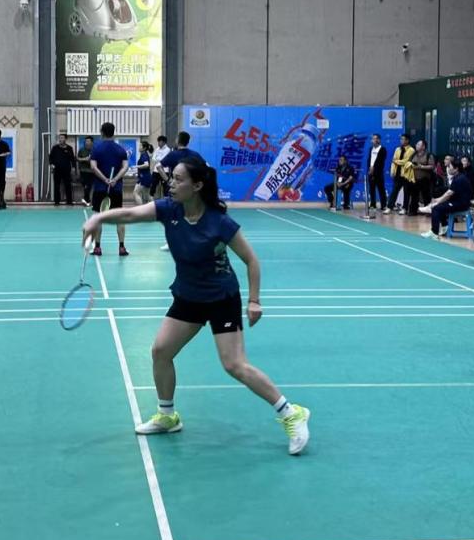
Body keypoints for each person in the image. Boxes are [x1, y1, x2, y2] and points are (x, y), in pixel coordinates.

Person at [81, 156, 311, 455]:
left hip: (220, 298)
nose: (171, 184)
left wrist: (254, 300)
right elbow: (130, 214)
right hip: (188, 296)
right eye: (171, 178)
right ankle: (167, 416)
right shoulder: (169, 209)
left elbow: (251, 261)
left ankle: (291, 413)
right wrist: (98, 218)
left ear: (197, 185)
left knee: (234, 365)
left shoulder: (220, 222)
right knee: (161, 351)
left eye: (178, 179)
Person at [89, 122, 130, 257]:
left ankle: (97, 248)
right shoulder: (120, 149)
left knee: (98, 217)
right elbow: (125, 167)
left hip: (100, 188)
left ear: (102, 132)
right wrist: (115, 179)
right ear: (113, 132)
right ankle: (122, 247)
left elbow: (93, 167)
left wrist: (105, 179)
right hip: (116, 188)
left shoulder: (96, 148)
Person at [419, 160, 473, 239]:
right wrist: (438, 200)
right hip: (458, 202)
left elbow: (449, 193)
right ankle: (445, 227)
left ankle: (434, 232)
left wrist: (437, 201)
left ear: (456, 169)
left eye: (449, 166)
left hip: (461, 204)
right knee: (440, 205)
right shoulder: (459, 176)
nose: (448, 168)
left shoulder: (459, 179)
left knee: (436, 208)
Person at [384, 134, 415, 215]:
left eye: (403, 139)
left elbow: (406, 161)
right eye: (401, 139)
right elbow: (393, 160)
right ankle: (389, 207)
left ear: (407, 140)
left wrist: (396, 161)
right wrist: (393, 171)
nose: (401, 141)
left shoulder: (411, 150)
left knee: (406, 192)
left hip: (406, 174)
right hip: (397, 173)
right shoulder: (397, 149)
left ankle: (405, 208)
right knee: (394, 191)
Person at [49, 133, 76, 206]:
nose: (60, 139)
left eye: (62, 138)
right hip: (57, 170)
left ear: (65, 139)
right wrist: (51, 164)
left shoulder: (69, 148)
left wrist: (73, 167)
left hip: (66, 170)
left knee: (68, 185)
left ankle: (69, 201)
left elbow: (72, 159)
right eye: (60, 138)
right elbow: (50, 157)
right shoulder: (55, 148)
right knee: (57, 186)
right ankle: (56, 202)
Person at [409, 140, 434, 213]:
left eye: (418, 144)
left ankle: (428, 210)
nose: (416, 146)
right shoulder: (413, 154)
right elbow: (409, 162)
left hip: (425, 179)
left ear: (423, 147)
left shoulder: (429, 155)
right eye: (416, 144)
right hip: (414, 178)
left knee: (426, 195)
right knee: (414, 195)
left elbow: (432, 166)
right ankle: (413, 211)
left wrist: (421, 166)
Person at [366, 133, 388, 210]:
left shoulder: (382, 149)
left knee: (381, 189)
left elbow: (380, 161)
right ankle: (373, 204)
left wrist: (374, 168)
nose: (372, 140)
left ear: (378, 140)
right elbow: (369, 159)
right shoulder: (371, 149)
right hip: (371, 172)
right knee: (371, 189)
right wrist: (369, 168)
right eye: (372, 139)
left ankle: (383, 205)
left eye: (374, 139)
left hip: (378, 172)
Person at [77, 136, 94, 207]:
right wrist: (84, 159)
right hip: (83, 171)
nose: (86, 142)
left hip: (91, 172)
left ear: (92, 142)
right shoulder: (81, 150)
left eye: (88, 141)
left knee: (88, 186)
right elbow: (78, 158)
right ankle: (87, 199)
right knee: (85, 186)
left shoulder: (94, 150)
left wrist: (90, 160)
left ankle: (87, 200)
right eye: (86, 141)